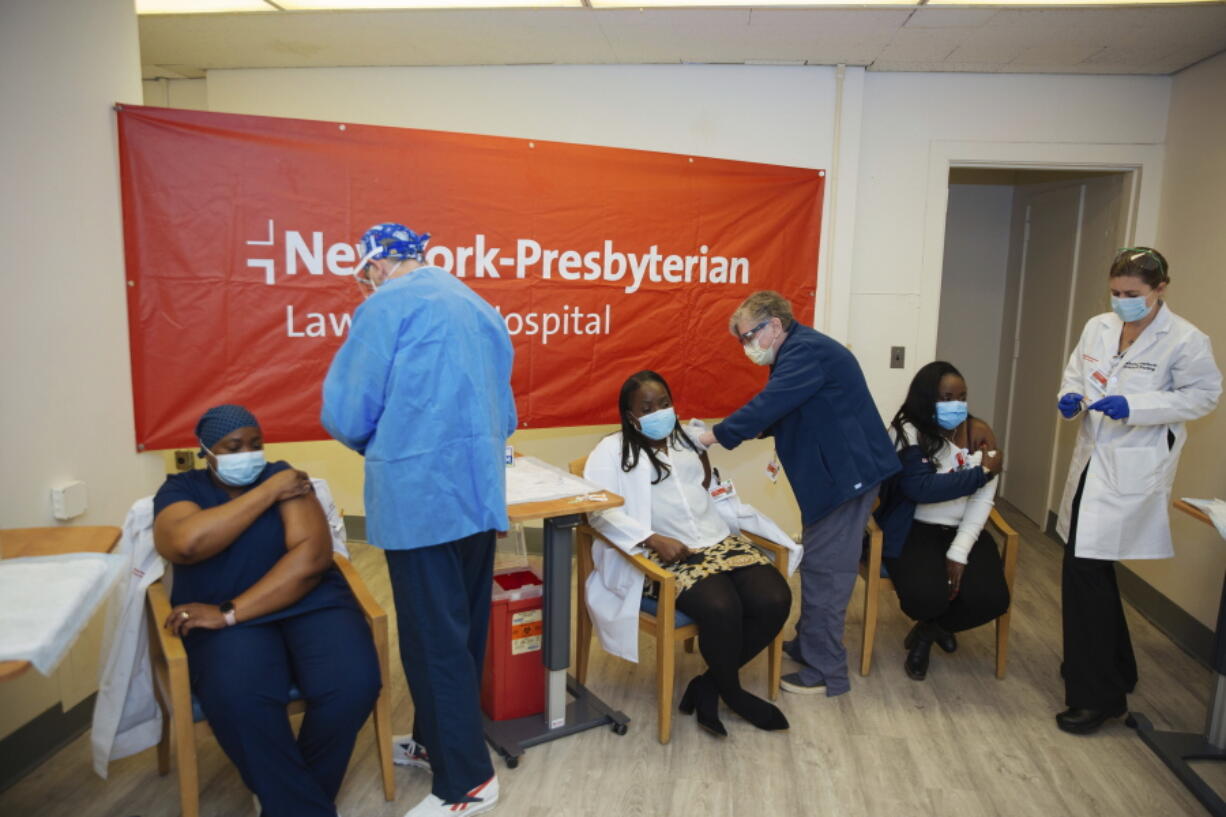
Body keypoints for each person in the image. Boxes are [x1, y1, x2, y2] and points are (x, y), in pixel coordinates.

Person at [321, 223, 516, 817]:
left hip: (422, 498)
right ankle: (438, 741)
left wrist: (387, 443)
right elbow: (502, 410)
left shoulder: (386, 309)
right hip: (477, 493)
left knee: (434, 641)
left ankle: (467, 783)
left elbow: (349, 411)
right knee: (461, 630)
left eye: (363, 271)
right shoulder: (476, 303)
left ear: (376, 265)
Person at [153, 404, 380, 817]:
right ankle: (302, 805)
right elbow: (186, 543)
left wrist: (229, 611)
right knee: (241, 697)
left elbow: (311, 559)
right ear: (206, 451)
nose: (249, 454)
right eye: (233, 446)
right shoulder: (181, 489)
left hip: (307, 605)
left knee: (353, 683)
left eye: (256, 444)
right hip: (227, 627)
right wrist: (267, 493)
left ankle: (285, 799)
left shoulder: (284, 475)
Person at [698, 290, 900, 697]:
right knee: (818, 564)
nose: (746, 348)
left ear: (775, 325)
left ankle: (827, 672)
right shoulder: (798, 352)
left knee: (827, 571)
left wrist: (713, 436)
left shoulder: (806, 352)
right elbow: (787, 410)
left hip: (846, 479)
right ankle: (809, 643)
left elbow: (771, 403)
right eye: (741, 340)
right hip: (833, 477)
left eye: (748, 336)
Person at [1054, 247, 1221, 734]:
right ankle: (1115, 669)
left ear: (1160, 289)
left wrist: (1136, 405)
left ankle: (1096, 697)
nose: (1122, 301)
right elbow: (1076, 374)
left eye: (1133, 294)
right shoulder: (1097, 326)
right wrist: (1069, 401)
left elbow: (1203, 396)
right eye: (1116, 292)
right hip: (1092, 461)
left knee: (1084, 572)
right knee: (1091, 568)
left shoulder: (1186, 340)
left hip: (1132, 467)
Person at [584, 371, 793, 735]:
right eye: (647, 407)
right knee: (721, 607)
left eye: (664, 403)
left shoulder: (686, 439)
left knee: (776, 597)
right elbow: (598, 511)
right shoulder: (612, 451)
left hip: (717, 540)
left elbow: (709, 477)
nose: (659, 412)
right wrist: (651, 538)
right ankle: (734, 694)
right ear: (631, 415)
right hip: (663, 553)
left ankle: (709, 685)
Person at [873, 362, 1009, 681]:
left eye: (962, 396)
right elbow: (919, 489)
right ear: (927, 397)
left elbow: (982, 498)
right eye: (947, 397)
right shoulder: (907, 429)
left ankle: (929, 632)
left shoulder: (979, 432)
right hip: (914, 528)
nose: (956, 405)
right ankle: (930, 621)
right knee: (924, 599)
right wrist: (982, 472)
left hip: (964, 528)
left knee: (992, 600)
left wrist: (959, 551)